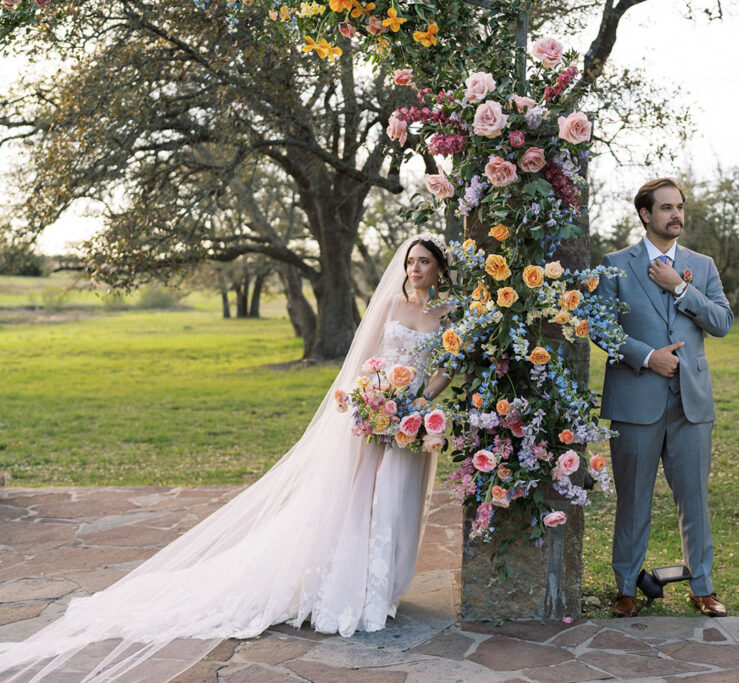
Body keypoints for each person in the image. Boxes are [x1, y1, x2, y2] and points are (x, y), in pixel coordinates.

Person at [0, 235, 454, 682]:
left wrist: (419, 403)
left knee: (395, 501)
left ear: (438, 269)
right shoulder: (389, 307)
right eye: (410, 261)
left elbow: (449, 365)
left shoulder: (445, 314)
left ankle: (382, 592)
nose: (414, 269)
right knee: (358, 501)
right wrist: (372, 403)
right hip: (373, 414)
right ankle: (347, 588)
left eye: (423, 262)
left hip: (411, 420)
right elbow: (361, 362)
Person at [595, 178, 733, 619]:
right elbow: (600, 328)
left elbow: (722, 322)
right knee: (633, 499)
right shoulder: (615, 265)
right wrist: (647, 356)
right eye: (667, 208)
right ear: (645, 214)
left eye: (680, 207)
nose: (676, 215)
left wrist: (679, 287)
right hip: (636, 401)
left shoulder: (701, 266)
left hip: (691, 403)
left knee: (694, 499)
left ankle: (702, 587)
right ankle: (626, 589)